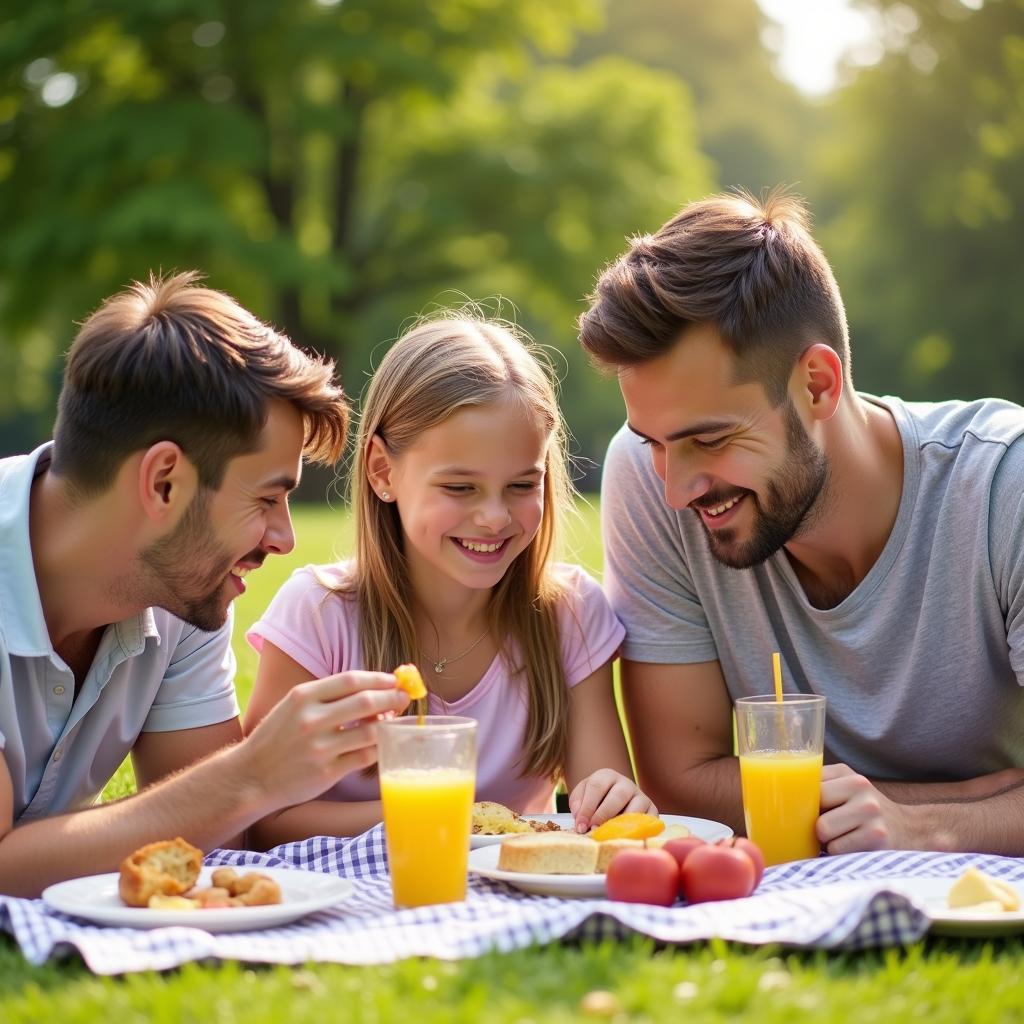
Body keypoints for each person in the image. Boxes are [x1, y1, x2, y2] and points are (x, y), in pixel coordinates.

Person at [578, 189, 1024, 856]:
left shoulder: (1004, 485)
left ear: (817, 384)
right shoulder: (647, 475)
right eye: (655, 442)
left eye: (709, 439)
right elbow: (682, 783)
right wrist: (970, 800)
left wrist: (924, 831)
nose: (674, 489)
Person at [0, 272, 411, 897]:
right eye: (268, 498)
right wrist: (250, 774)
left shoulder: (178, 591)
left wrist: (259, 781)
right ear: (165, 482)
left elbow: (207, 839)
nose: (284, 539)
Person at [243, 315, 654, 847]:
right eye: (460, 487)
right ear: (382, 473)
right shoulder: (318, 615)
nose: (494, 518)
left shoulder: (570, 615)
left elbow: (603, 804)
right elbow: (261, 818)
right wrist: (441, 815)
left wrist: (614, 799)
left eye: (522, 484)